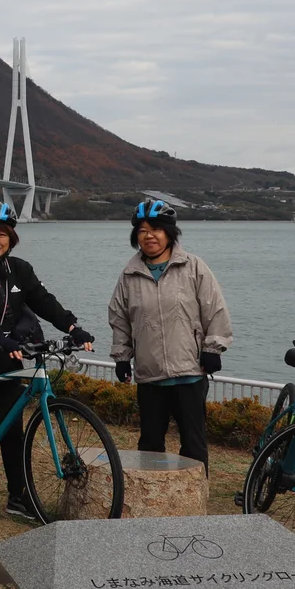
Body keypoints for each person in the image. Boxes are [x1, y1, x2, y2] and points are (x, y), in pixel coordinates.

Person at [0, 200, 95, 519]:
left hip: (8, 359)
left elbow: (44, 302)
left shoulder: (20, 269)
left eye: (2, 234)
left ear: (11, 238)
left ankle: (18, 496)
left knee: (12, 431)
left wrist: (73, 327)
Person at [108, 200, 233, 472]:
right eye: (142, 231)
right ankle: (151, 504)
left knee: (193, 443)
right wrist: (121, 357)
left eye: (156, 229)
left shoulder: (193, 267)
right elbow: (120, 319)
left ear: (169, 233)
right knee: (150, 443)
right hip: (150, 375)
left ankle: (195, 503)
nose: (149, 235)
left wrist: (213, 349)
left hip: (188, 371)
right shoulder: (129, 275)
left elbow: (215, 308)